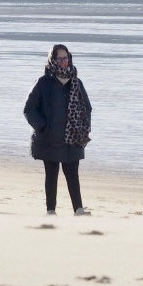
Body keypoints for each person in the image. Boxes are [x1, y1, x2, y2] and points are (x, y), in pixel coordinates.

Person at [23, 44, 92, 215]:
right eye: (59, 58)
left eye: (65, 57)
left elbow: (87, 109)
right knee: (51, 175)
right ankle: (51, 210)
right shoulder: (43, 82)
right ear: (52, 60)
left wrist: (83, 129)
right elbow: (29, 109)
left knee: (72, 174)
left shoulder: (76, 82)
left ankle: (78, 209)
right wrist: (43, 126)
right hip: (49, 138)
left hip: (73, 138)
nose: (63, 62)